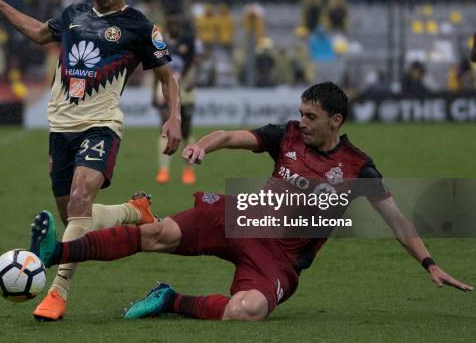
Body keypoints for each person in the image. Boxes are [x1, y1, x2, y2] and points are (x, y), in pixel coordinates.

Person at [29, 82, 473, 321]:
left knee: (248, 311)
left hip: (278, 259)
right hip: (239, 215)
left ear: (336, 120)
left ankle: (170, 300)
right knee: (158, 233)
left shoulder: (359, 167)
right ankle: (58, 252)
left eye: (311, 117)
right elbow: (235, 135)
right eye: (301, 113)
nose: (303, 122)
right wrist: (207, 145)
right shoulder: (288, 136)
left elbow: (396, 219)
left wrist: (429, 263)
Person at [0, 0, 182, 321]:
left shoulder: (140, 27)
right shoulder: (74, 14)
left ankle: (57, 292)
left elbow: (168, 77)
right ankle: (134, 211)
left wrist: (174, 117)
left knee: (83, 198)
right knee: (74, 221)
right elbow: (37, 32)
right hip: (60, 129)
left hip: (101, 126)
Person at [153, 15, 198, 184]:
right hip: (164, 89)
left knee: (185, 130)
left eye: (177, 24)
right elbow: (155, 66)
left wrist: (190, 80)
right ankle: (164, 170)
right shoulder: (160, 42)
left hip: (186, 90)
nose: (174, 27)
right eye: (172, 24)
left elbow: (194, 61)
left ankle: (188, 170)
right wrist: (154, 91)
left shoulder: (189, 41)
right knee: (164, 127)